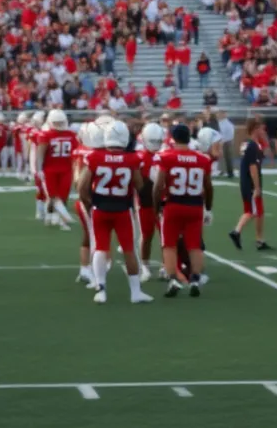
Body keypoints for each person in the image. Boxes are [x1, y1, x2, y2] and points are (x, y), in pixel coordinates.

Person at [76, 121, 151, 305]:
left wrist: (90, 204)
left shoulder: (95, 157)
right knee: (128, 249)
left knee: (101, 248)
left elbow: (82, 186)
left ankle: (101, 290)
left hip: (101, 208)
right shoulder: (132, 159)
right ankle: (135, 292)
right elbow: (140, 185)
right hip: (122, 210)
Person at [154, 125, 213, 297]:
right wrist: (208, 207)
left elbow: (158, 186)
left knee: (169, 245)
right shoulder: (202, 159)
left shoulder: (166, 157)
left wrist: (156, 206)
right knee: (194, 245)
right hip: (195, 205)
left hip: (173, 204)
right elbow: (208, 187)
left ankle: (173, 279)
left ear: (173, 138)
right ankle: (195, 279)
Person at [230, 118, 272, 251]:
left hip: (245, 181)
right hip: (251, 183)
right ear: (255, 129)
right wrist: (257, 187)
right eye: (260, 128)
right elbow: (253, 166)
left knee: (259, 212)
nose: (262, 131)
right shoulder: (253, 145)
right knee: (251, 211)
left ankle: (259, 240)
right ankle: (236, 231)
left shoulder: (247, 143)